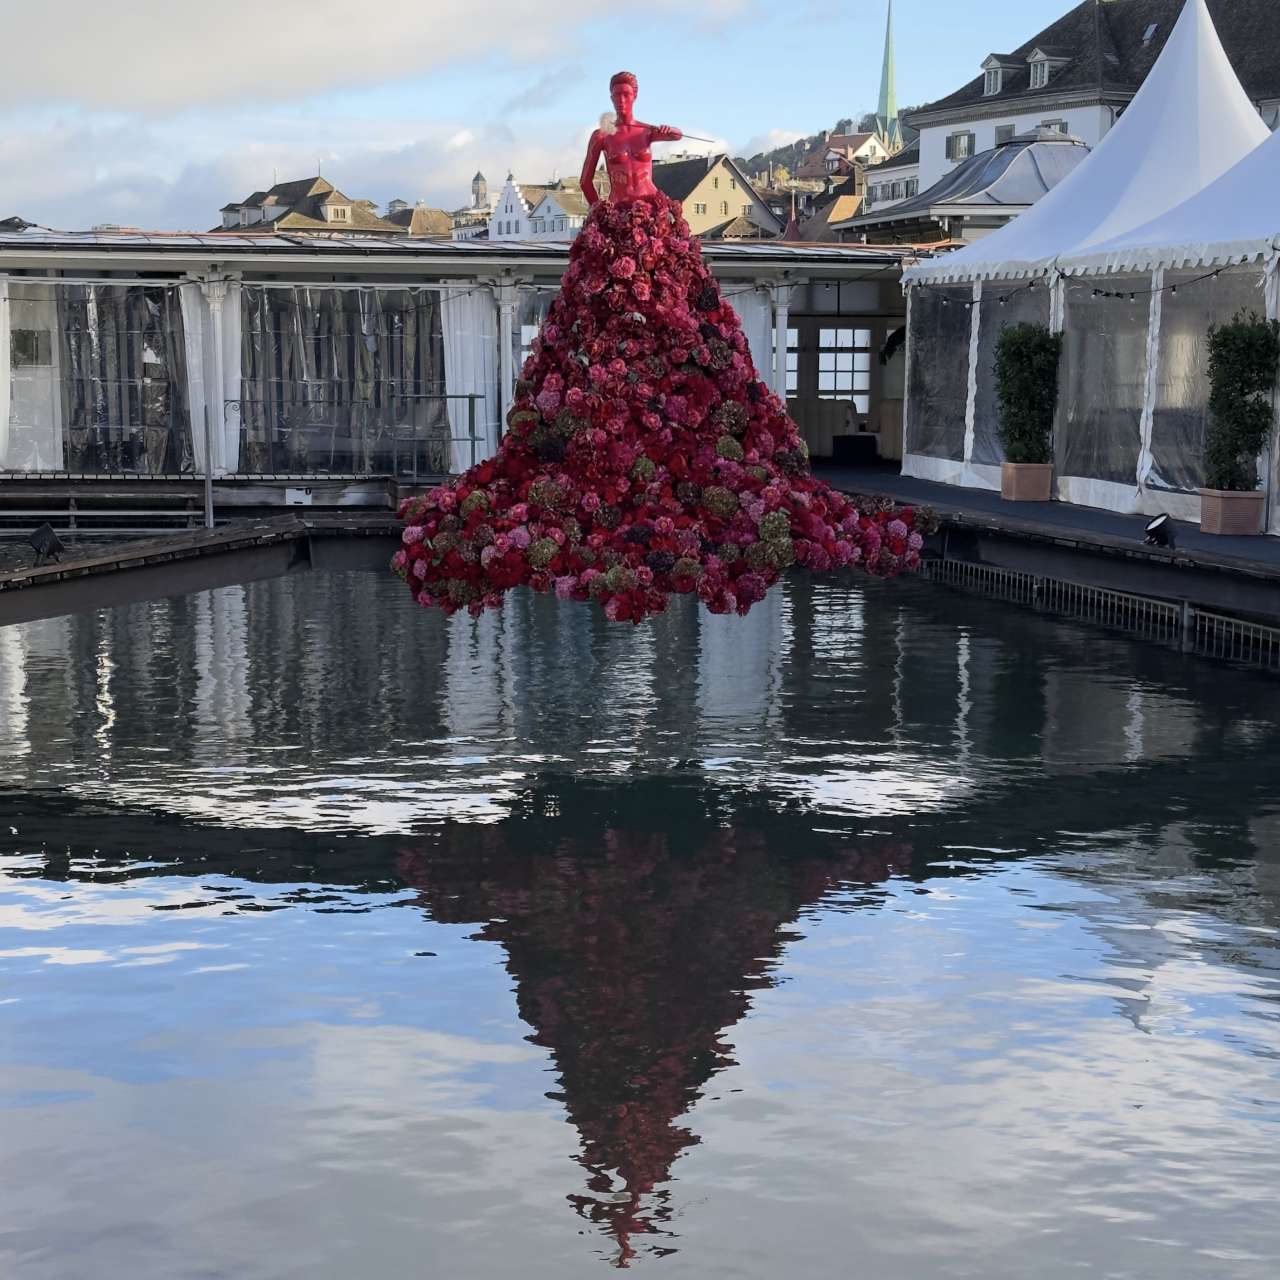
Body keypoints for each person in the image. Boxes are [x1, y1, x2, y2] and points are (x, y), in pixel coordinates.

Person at [393, 72, 924, 623]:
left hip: (652, 218)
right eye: (618, 94)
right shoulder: (602, 138)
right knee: (609, 327)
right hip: (617, 226)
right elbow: (589, 182)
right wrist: (600, 211)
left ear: (635, 97)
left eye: (629, 94)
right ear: (612, 98)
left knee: (679, 321)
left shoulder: (647, 133)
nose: (623, 100)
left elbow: (654, 156)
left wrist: (664, 141)